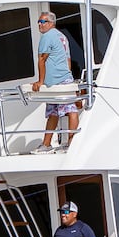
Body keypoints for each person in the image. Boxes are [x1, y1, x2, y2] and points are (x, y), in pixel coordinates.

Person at [31, 11, 78, 154]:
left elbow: (42, 59)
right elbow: (67, 59)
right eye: (39, 22)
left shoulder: (47, 36)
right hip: (62, 80)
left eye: (43, 22)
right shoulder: (62, 36)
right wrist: (68, 77)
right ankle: (46, 144)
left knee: (70, 110)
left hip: (58, 82)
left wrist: (40, 81)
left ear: (51, 23)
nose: (40, 24)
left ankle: (72, 144)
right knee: (53, 112)